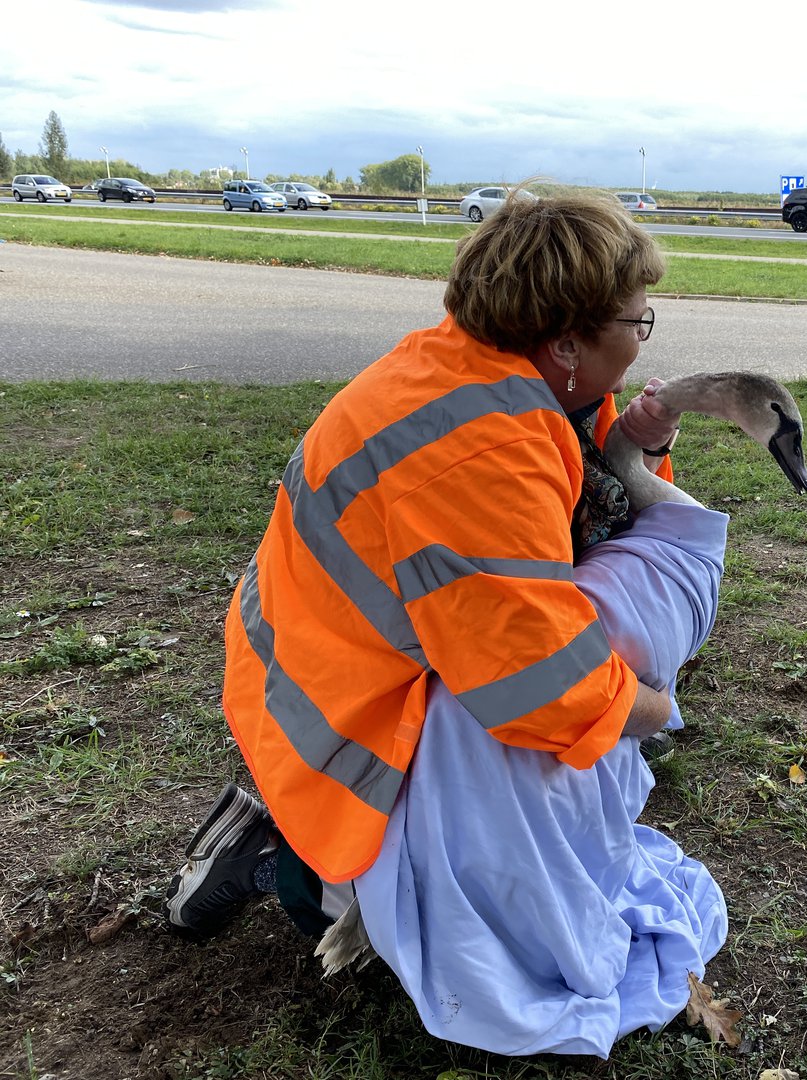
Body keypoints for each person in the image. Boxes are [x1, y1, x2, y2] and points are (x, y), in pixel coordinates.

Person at [164, 189, 730, 1057]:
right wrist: (656, 709)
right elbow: (543, 689)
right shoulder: (484, 449)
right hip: (342, 708)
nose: (644, 336)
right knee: (523, 757)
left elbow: (582, 508)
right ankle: (310, 874)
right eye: (638, 321)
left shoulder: (477, 365)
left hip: (307, 658)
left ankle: (306, 828)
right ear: (568, 341)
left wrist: (642, 444)